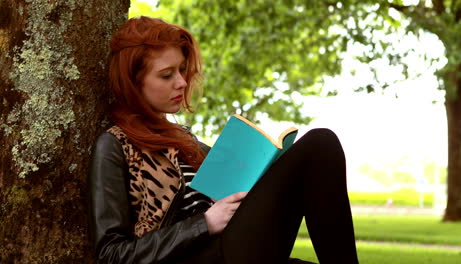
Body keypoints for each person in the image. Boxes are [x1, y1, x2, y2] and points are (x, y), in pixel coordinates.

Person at [88, 16, 360, 264]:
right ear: (133, 82)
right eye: (166, 75)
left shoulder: (183, 139)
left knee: (319, 149)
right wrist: (204, 224)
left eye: (182, 70)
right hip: (197, 257)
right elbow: (111, 255)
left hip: (231, 246)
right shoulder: (114, 145)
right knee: (319, 144)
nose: (182, 82)